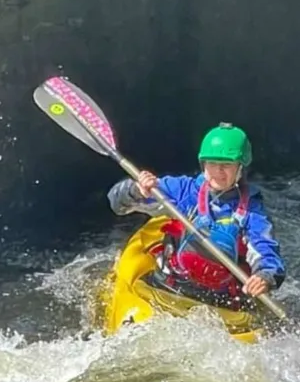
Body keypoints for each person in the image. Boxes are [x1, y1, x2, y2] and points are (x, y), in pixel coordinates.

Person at [111, 123, 285, 316]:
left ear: (240, 167)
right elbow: (118, 205)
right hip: (171, 284)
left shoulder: (252, 211)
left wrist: (265, 276)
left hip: (222, 300)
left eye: (226, 164)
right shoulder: (185, 191)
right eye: (212, 163)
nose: (218, 171)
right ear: (204, 165)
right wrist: (136, 190)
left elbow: (266, 249)